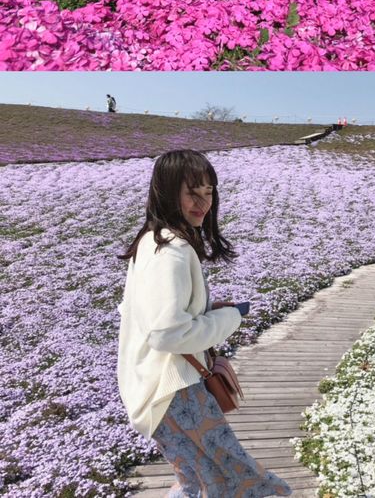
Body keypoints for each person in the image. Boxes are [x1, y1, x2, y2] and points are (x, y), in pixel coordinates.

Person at [117, 149, 291, 497]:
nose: (203, 202)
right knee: (241, 480)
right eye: (192, 192)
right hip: (174, 391)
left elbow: (150, 315)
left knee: (200, 481)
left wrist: (207, 310)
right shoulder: (172, 251)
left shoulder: (153, 241)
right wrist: (229, 318)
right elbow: (166, 333)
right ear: (167, 192)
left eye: (208, 192)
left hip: (152, 391)